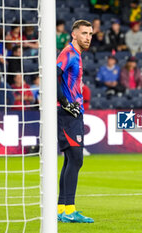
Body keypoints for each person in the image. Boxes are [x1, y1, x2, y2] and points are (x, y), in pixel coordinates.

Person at [56, 20, 94, 223]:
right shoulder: (68, 53)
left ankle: (62, 208)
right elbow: (53, 75)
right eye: (84, 33)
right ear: (74, 34)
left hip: (73, 111)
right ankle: (69, 210)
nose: (88, 37)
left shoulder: (76, 54)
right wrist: (64, 102)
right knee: (77, 159)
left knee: (70, 159)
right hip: (67, 112)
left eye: (90, 33)